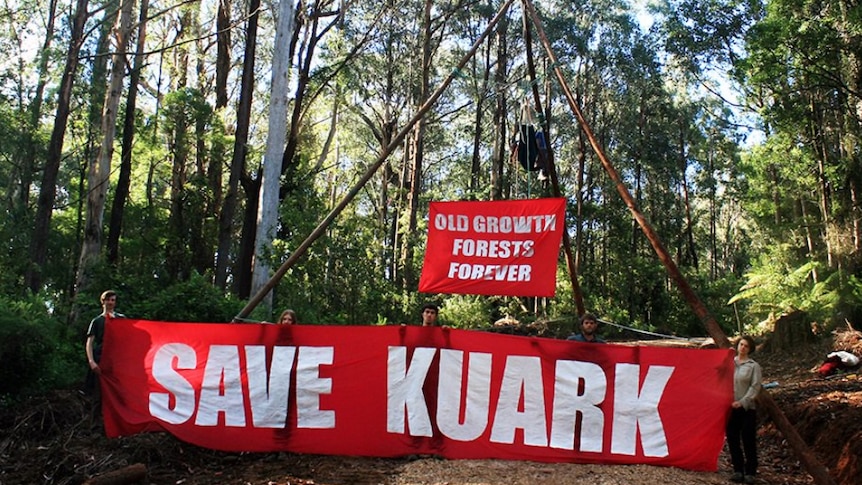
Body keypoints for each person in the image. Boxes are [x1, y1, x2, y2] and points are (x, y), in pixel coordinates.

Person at [726, 335, 762, 484]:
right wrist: (725, 357)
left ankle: (751, 472)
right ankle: (738, 470)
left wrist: (742, 402)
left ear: (750, 349)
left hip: (747, 408)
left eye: (746, 346)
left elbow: (755, 387)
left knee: (748, 439)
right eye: (741, 344)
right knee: (732, 438)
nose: (743, 348)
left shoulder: (753, 366)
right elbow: (717, 375)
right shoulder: (729, 363)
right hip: (730, 407)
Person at [84, 290, 125, 395]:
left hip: (117, 360)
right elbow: (89, 342)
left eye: (113, 300)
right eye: (108, 300)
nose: (110, 302)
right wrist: (91, 361)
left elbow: (127, 339)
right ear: (103, 301)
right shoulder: (97, 321)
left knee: (117, 393)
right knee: (99, 393)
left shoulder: (121, 319)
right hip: (100, 359)